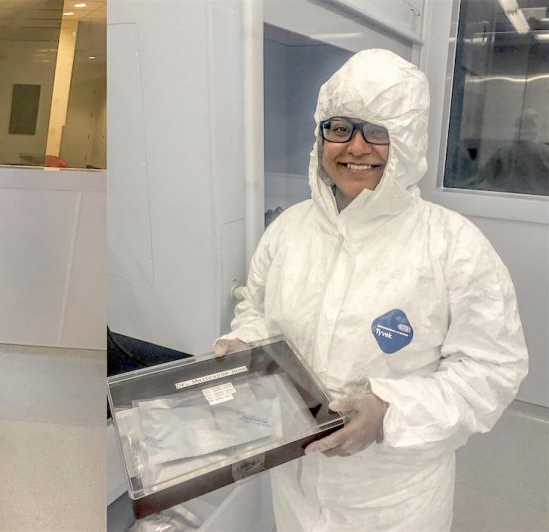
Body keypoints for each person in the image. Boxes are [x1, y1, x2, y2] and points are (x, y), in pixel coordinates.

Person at [215, 49, 528, 530]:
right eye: (340, 128)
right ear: (321, 135)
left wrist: (389, 412)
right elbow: (257, 313)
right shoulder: (287, 231)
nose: (356, 148)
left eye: (378, 132)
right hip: (297, 484)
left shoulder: (453, 245)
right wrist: (243, 347)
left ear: (407, 142)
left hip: (394, 499)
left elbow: (491, 371)